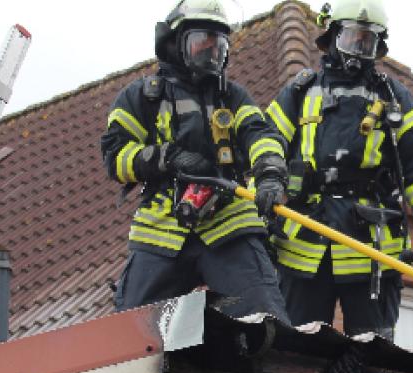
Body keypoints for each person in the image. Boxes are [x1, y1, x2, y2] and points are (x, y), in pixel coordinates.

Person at [265, 0, 413, 340]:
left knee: (371, 351)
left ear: (378, 47)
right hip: (307, 238)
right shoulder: (301, 91)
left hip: (370, 241)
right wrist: (262, 204)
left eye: (367, 41)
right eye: (351, 38)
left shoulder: (394, 97)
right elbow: (265, 148)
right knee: (296, 345)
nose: (358, 49)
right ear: (333, 36)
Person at [101, 0, 290, 323]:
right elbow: (115, 157)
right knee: (130, 329)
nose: (211, 52)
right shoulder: (143, 97)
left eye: (219, 45)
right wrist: (168, 158)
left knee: (266, 315)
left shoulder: (233, 97)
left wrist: (270, 175)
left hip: (228, 220)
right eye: (202, 41)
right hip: (162, 227)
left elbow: (261, 135)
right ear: (175, 43)